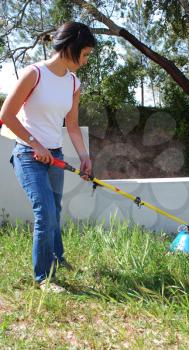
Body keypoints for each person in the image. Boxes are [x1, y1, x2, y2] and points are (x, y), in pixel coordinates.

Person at [0, 22, 96, 293]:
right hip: (28, 154)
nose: (86, 61)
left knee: (55, 210)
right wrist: (35, 143)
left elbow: (73, 125)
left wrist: (84, 156)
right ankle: (43, 277)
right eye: (85, 54)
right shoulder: (35, 74)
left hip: (54, 154)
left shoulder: (74, 82)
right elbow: (6, 115)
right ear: (70, 48)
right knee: (45, 213)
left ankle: (58, 258)